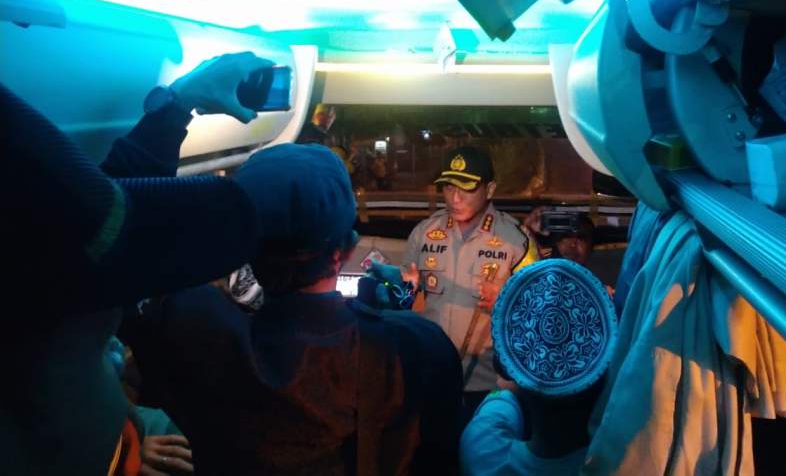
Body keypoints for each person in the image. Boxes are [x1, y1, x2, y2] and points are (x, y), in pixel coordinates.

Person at [0, 51, 270, 475]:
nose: (124, 290)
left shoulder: (50, 320)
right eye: (113, 273)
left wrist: (179, 102)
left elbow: (98, 212)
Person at [120, 144, 463, 475]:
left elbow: (107, 223)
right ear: (346, 249)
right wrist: (383, 317)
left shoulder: (194, 332)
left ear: (241, 250)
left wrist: (171, 113)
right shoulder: (418, 345)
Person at [400, 146, 540, 421]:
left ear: (490, 189)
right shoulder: (424, 234)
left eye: (466, 188)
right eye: (449, 187)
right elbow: (406, 300)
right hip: (432, 378)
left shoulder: (517, 242)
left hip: (488, 388)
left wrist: (507, 301)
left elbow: (538, 311)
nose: (455, 198)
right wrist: (403, 291)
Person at [460, 259, 618, 475]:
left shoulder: (481, 452)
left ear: (503, 368)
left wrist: (513, 368)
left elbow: (496, 407)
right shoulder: (626, 465)